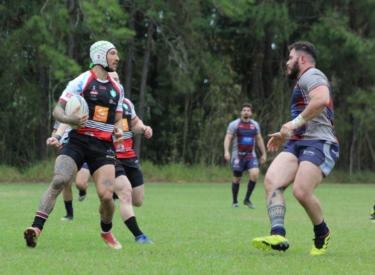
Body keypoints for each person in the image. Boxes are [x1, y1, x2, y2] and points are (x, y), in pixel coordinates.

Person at [24, 40, 124, 249]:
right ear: (100, 56)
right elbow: (58, 111)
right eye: (113, 54)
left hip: (103, 146)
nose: (117, 58)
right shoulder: (81, 82)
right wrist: (69, 120)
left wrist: (119, 129)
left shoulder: (117, 89)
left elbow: (117, 120)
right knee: (60, 180)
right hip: (77, 140)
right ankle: (35, 228)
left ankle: (106, 232)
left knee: (106, 196)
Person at [251, 41, 339, 256]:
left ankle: (322, 233)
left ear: (302, 59)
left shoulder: (311, 74)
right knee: (272, 180)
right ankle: (278, 234)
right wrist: (285, 134)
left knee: (301, 191)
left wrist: (292, 124)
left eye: (290, 58)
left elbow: (321, 100)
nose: (287, 62)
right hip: (297, 142)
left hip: (320, 143)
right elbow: (307, 116)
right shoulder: (303, 81)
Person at [108, 71, 154, 244]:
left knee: (138, 200)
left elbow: (135, 123)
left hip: (130, 156)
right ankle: (139, 236)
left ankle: (109, 194)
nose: (116, 82)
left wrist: (144, 128)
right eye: (112, 79)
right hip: (111, 156)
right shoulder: (102, 105)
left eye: (118, 80)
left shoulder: (126, 103)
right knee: (126, 193)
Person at [224, 103, 267, 209]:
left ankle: (247, 199)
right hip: (238, 156)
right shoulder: (234, 124)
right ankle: (235, 202)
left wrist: (264, 153)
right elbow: (228, 138)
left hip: (250, 156)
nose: (246, 112)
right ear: (241, 112)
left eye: (248, 110)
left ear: (251, 112)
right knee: (237, 179)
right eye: (244, 110)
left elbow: (259, 139)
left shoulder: (255, 125)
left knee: (255, 174)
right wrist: (226, 151)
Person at [47, 121, 90, 221]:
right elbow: (55, 131)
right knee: (66, 181)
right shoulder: (62, 115)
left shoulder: (84, 112)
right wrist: (56, 139)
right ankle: (69, 214)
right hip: (67, 149)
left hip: (83, 149)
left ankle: (83, 189)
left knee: (80, 183)